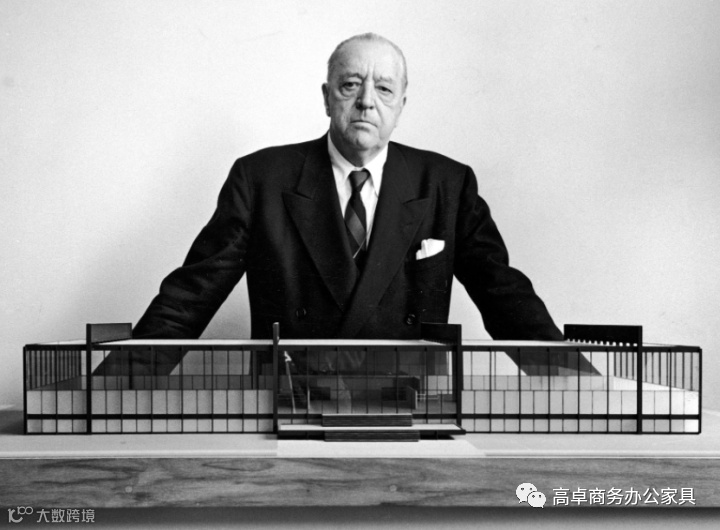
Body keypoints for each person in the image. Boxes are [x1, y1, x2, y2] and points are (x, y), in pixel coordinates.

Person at [104, 33, 575, 376]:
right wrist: (111, 386)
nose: (367, 101)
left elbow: (503, 293)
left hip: (412, 406)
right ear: (327, 98)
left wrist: (575, 382)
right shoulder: (261, 178)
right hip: (288, 402)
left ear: (401, 105)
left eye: (384, 89)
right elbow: (191, 295)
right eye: (351, 85)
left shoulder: (446, 184)